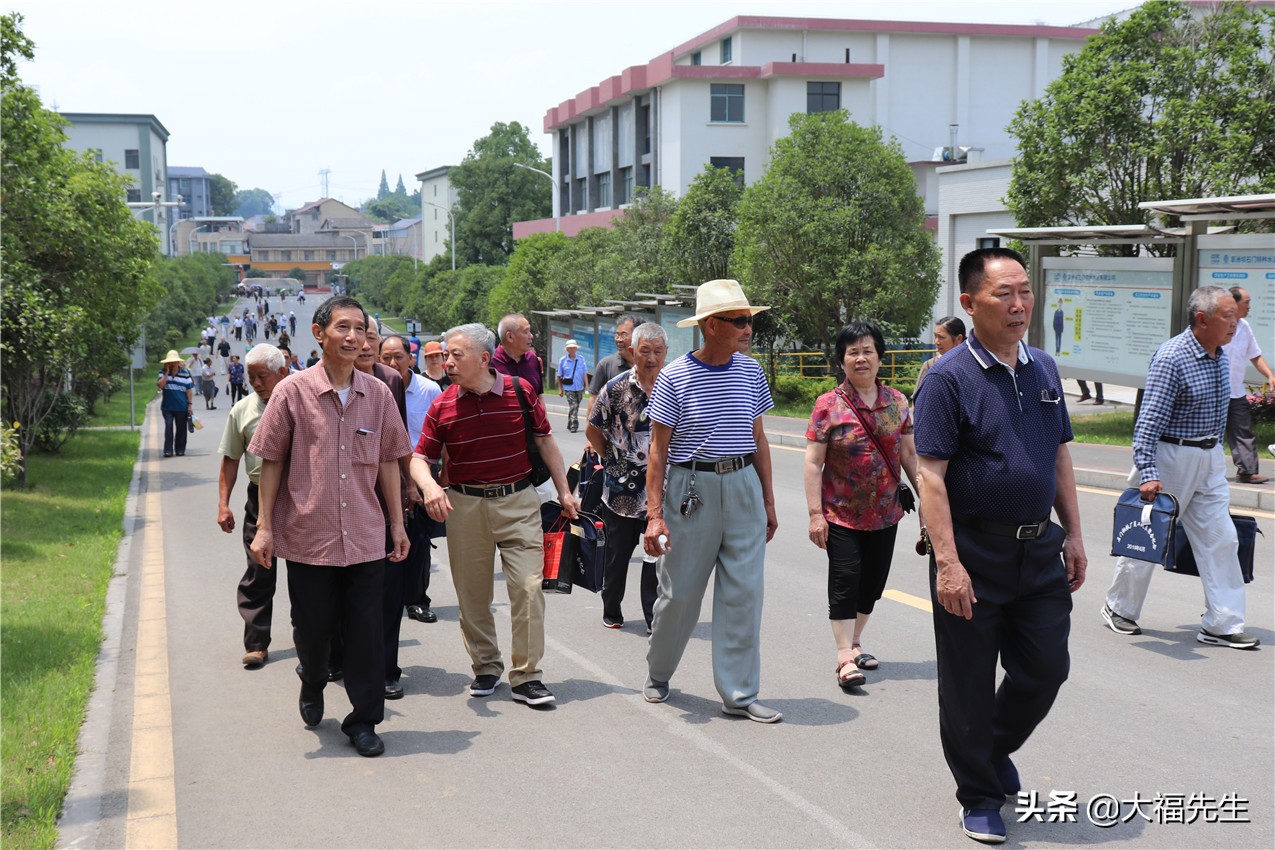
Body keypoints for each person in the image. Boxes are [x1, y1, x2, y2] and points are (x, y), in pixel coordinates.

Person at [913, 247, 1086, 844]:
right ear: (969, 302)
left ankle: (989, 749)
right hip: (973, 553)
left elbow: (1059, 453)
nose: (1019, 306)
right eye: (1003, 295)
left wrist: (1076, 536)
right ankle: (980, 794)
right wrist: (949, 564)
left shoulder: (1043, 367)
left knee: (1046, 669)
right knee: (967, 682)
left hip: (1038, 549)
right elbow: (929, 475)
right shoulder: (946, 377)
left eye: (1025, 293)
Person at [248, 296, 411, 758]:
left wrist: (397, 525)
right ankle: (313, 679)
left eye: (360, 328)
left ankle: (363, 721)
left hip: (364, 534)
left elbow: (388, 462)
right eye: (343, 327)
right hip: (307, 536)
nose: (354, 336)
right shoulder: (291, 392)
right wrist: (264, 527)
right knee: (312, 629)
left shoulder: (377, 394)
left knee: (366, 632)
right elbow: (271, 460)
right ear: (319, 333)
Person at [410, 323, 579, 707]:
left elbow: (546, 442)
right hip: (465, 506)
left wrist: (565, 491)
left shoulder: (521, 392)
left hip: (519, 502)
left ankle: (527, 676)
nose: (447, 362)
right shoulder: (443, 405)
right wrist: (431, 486)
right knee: (472, 596)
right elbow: (420, 458)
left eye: (457, 355)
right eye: (446, 355)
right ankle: (486, 666)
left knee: (529, 588)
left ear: (484, 359)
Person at [642, 279, 781, 724]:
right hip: (692, 490)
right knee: (680, 593)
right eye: (739, 321)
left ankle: (739, 694)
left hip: (742, 487)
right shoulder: (675, 375)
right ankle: (659, 672)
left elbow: (758, 438)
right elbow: (658, 451)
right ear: (710, 325)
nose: (747, 328)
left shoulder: (751, 371)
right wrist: (654, 516)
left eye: (749, 320)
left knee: (744, 595)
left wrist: (769, 501)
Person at [1102, 285, 1258, 649]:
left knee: (1222, 538)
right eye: (1227, 317)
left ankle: (1222, 622)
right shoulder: (1173, 357)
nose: (1235, 323)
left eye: (1236, 316)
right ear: (1201, 319)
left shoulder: (1220, 353)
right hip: (1170, 457)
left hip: (1208, 458)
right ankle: (1118, 607)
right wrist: (1149, 472)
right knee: (1147, 538)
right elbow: (1148, 422)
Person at [805, 320, 921, 690]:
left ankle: (855, 643)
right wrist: (814, 515)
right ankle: (843, 657)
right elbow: (812, 462)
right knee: (845, 581)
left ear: (879, 357)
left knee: (872, 585)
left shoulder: (897, 402)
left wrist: (929, 496)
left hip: (886, 513)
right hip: (840, 513)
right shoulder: (828, 405)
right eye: (852, 352)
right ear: (842, 360)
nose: (860, 358)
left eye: (867, 350)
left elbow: (909, 455)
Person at [586, 322, 667, 634]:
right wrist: (611, 459)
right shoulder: (616, 388)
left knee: (655, 557)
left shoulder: (673, 386)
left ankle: (653, 616)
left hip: (660, 493)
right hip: (620, 492)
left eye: (657, 351)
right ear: (634, 352)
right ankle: (612, 607)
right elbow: (592, 429)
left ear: (665, 353)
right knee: (617, 558)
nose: (651, 357)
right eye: (645, 351)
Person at [216, 345, 290, 668]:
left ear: (282, 374)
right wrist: (223, 504)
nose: (257, 383)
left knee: (309, 574)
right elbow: (231, 459)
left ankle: (319, 644)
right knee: (259, 571)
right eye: (252, 377)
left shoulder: (300, 405)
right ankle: (257, 643)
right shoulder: (242, 411)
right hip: (258, 498)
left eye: (263, 376)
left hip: (300, 497)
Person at [380, 333, 443, 625]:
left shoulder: (429, 390)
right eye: (386, 358)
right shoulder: (375, 389)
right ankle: (386, 599)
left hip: (420, 474)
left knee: (419, 539)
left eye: (398, 357)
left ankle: (417, 600)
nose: (393, 363)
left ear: (410, 359)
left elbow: (443, 434)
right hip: (384, 473)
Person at [1223, 286, 1274, 483]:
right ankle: (1202, 470)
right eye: (1247, 302)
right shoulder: (1217, 324)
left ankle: (1247, 471)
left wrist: (1269, 375)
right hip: (1213, 391)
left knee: (1243, 430)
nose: (1250, 306)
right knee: (1208, 432)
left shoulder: (1244, 326)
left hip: (1236, 391)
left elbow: (1254, 355)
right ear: (1234, 304)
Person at [587, 313, 641, 419]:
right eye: (617, 335)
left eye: (624, 335)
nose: (619, 339)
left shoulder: (648, 365)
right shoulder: (606, 365)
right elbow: (593, 400)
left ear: (637, 337)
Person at [913, 315, 966, 401]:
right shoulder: (929, 365)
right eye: (935, 336)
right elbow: (918, 399)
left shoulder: (971, 366)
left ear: (959, 339)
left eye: (941, 337)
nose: (936, 342)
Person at [491, 312, 544, 395]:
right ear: (510, 337)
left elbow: (539, 395)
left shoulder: (533, 359)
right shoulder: (490, 363)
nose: (531, 336)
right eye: (526, 332)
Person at [157, 350, 195, 458]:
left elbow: (189, 390)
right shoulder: (162, 372)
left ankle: (180, 449)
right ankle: (168, 450)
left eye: (174, 362)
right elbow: (160, 385)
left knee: (181, 428)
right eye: (170, 362)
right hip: (167, 407)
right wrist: (167, 373)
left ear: (178, 362)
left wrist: (190, 404)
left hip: (181, 407)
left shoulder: (185, 374)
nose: (172, 364)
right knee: (168, 426)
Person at [556, 339, 590, 432]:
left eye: (573, 348)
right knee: (573, 405)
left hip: (579, 386)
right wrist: (560, 389)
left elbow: (584, 373)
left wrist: (587, 386)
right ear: (567, 349)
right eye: (570, 348)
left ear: (576, 349)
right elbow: (559, 375)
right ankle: (574, 425)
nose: (572, 350)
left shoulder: (581, 359)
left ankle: (569, 422)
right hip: (568, 387)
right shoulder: (563, 360)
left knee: (575, 406)